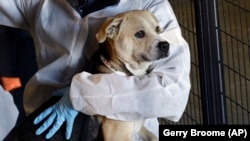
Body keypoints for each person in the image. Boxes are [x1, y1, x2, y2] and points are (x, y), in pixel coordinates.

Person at [0, 0, 191, 140]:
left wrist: (83, 94)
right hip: (47, 126)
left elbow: (174, 90)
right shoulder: (41, 3)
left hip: (125, 132)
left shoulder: (151, 5)